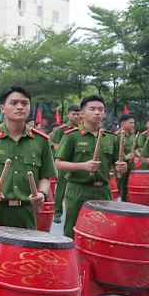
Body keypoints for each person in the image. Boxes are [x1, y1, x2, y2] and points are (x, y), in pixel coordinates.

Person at [0, 86, 54, 229]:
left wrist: (42, 193)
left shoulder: (41, 141)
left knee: (24, 251)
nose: (20, 107)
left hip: (25, 212)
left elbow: (46, 176)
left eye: (24, 103)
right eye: (14, 103)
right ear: (2, 108)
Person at [54, 95, 124, 238]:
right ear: (82, 114)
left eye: (100, 109)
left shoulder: (111, 138)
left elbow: (117, 164)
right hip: (78, 189)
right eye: (92, 109)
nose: (97, 112)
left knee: (102, 230)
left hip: (103, 189)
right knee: (73, 230)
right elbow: (59, 164)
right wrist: (83, 166)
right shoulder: (71, 137)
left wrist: (121, 167)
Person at [50, 105, 81, 223]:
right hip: (64, 163)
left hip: (77, 164)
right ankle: (57, 212)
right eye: (73, 114)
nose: (76, 116)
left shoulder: (82, 129)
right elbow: (57, 146)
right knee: (61, 188)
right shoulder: (61, 130)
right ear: (68, 115)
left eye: (78, 114)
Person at [116, 114, 137, 200]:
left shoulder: (132, 136)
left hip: (131, 165)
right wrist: (125, 157)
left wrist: (140, 156)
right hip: (120, 164)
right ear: (123, 123)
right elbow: (114, 150)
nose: (133, 125)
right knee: (118, 185)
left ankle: (125, 203)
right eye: (131, 123)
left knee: (128, 186)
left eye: (133, 123)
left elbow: (136, 148)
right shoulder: (116, 135)